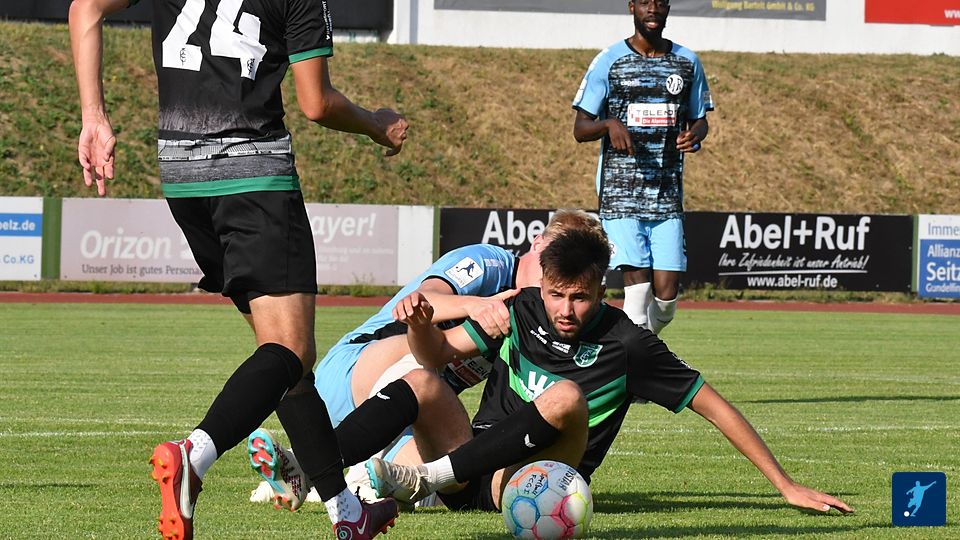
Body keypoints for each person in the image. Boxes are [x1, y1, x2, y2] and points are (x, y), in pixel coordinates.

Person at [69, 0, 407, 538]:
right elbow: (316, 103)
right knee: (290, 351)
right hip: (253, 176)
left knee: (283, 360)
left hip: (183, 178)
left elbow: (85, 8)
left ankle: (346, 511)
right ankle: (194, 455)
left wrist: (94, 118)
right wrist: (376, 125)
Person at [359, 222, 853, 516]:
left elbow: (715, 407)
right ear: (542, 284)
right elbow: (436, 355)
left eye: (578, 297)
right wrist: (420, 326)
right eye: (555, 295)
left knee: (566, 396)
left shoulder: (629, 344)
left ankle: (424, 478)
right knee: (420, 380)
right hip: (466, 473)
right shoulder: (522, 306)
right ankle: (324, 470)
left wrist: (786, 485)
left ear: (600, 291)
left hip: (532, 482)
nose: (564, 310)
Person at [246, 210, 605, 510]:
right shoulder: (490, 262)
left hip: (406, 411)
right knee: (421, 362)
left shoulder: (536, 312)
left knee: (438, 475)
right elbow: (424, 297)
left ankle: (304, 473)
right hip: (361, 369)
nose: (554, 284)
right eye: (551, 270)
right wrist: (475, 305)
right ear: (537, 245)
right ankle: (336, 474)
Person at [572, 0, 714, 334]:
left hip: (666, 195)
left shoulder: (687, 62)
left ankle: (639, 350)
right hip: (621, 193)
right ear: (632, 7)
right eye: (645, 2)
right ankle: (635, 362)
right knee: (638, 294)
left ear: (668, 8)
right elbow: (580, 128)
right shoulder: (610, 60)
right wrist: (609, 124)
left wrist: (695, 135)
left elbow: (700, 120)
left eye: (659, 2)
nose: (653, 9)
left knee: (666, 300)